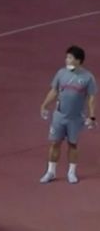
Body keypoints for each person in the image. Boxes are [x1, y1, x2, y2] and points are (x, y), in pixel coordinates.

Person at [39, 45, 97, 184]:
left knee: (73, 144)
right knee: (55, 143)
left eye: (70, 58)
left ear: (78, 60)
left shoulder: (88, 78)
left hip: (75, 118)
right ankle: (51, 172)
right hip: (59, 116)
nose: (67, 60)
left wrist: (92, 116)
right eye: (66, 57)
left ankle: (71, 173)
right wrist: (44, 105)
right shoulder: (61, 73)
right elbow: (54, 91)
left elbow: (91, 98)